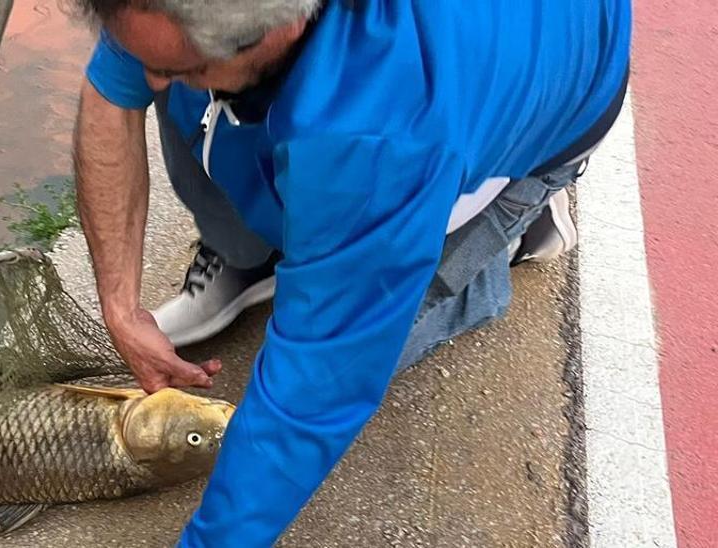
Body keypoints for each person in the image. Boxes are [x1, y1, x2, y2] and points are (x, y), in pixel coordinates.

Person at [69, 0, 630, 545]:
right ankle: (264, 251)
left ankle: (509, 223)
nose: (151, 78)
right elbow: (114, 93)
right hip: (442, 66)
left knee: (362, 342)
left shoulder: (382, 140)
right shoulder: (187, 13)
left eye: (176, 66)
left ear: (275, 30)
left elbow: (311, 396)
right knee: (195, 101)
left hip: (545, 104)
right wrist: (120, 305)